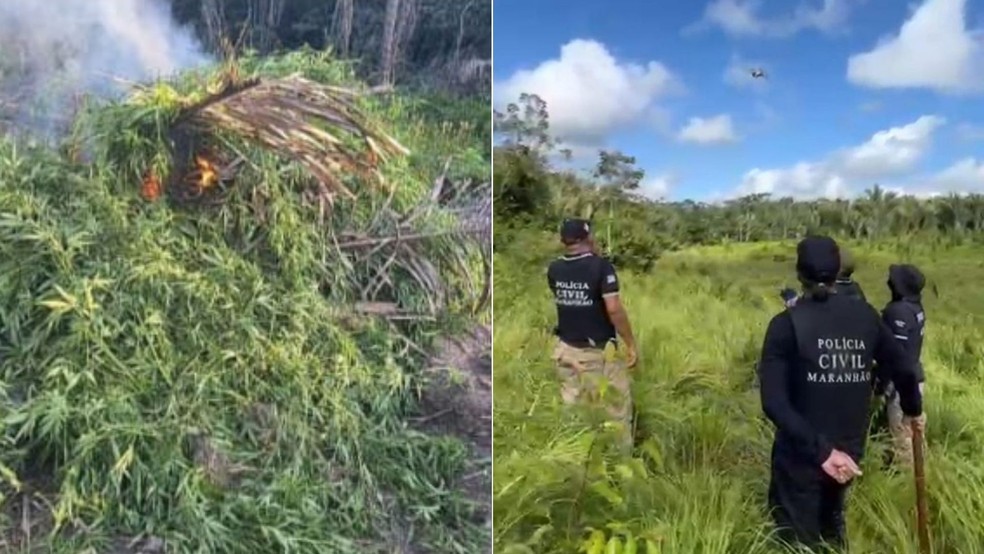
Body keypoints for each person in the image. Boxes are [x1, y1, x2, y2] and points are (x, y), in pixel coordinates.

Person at [758, 235, 925, 551]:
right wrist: (913, 410)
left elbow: (774, 402)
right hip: (849, 454)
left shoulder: (784, 324)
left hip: (801, 458)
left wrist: (822, 453)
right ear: (837, 272)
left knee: (796, 540)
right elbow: (905, 368)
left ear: (799, 273)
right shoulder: (866, 317)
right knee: (833, 526)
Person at [547, 218, 638, 447]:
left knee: (574, 413)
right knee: (616, 411)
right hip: (596, 352)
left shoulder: (555, 268)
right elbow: (614, 309)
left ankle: (572, 462)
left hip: (564, 351)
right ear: (588, 238)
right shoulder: (601, 267)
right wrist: (630, 343)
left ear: (563, 241)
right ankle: (618, 466)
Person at [880, 264, 927, 466]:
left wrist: (882, 383)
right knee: (914, 432)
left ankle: (908, 482)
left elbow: (896, 354)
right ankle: (921, 472)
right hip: (915, 376)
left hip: (902, 382)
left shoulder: (897, 311)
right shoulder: (915, 308)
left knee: (902, 436)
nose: (888, 281)